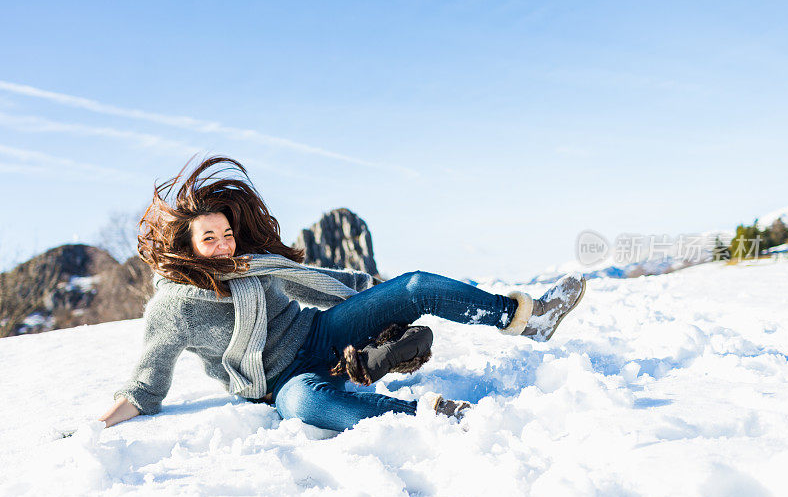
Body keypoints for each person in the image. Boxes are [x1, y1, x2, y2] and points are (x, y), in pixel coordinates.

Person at [99, 156, 586, 433]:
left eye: (226, 233)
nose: (225, 244)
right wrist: (98, 427)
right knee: (305, 407)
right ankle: (431, 415)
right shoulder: (172, 309)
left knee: (415, 284)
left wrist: (384, 296)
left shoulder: (252, 264)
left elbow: (313, 281)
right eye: (210, 239)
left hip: (323, 332)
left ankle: (527, 318)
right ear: (185, 247)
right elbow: (146, 386)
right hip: (278, 382)